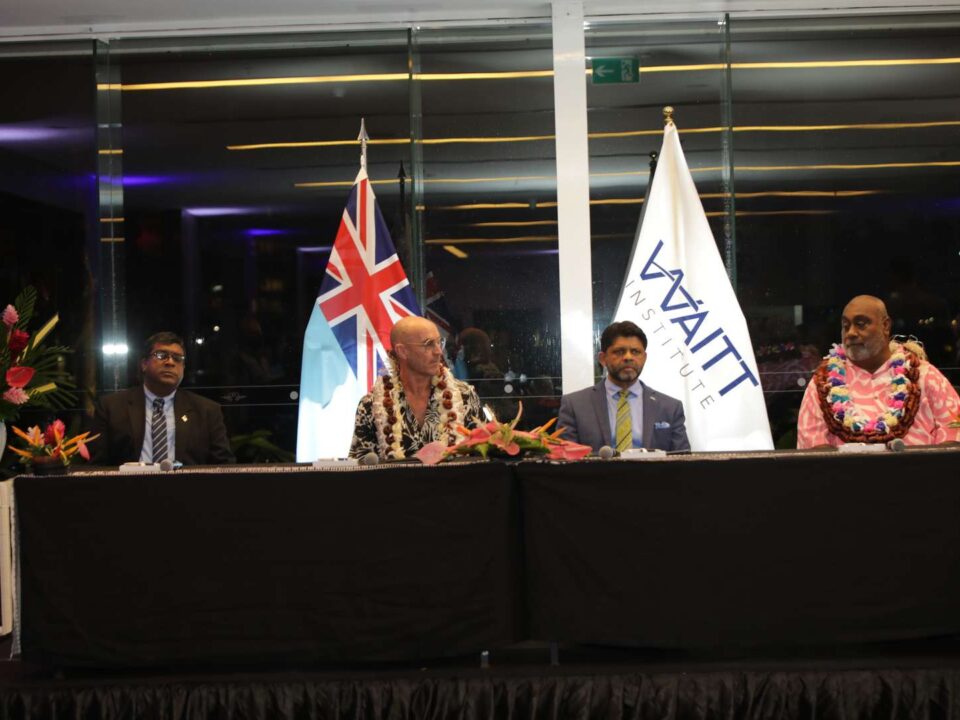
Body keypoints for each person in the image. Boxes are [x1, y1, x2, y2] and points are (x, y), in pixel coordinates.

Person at [797, 295, 960, 448]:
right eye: (846, 326)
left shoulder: (925, 376)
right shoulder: (822, 384)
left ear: (885, 326)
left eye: (860, 324)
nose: (851, 333)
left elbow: (954, 439)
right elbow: (813, 453)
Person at [90, 331, 235, 466]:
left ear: (183, 369)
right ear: (144, 364)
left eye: (177, 358)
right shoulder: (111, 407)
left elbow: (224, 466)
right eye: (161, 355)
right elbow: (97, 466)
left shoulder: (207, 411)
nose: (170, 362)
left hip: (186, 484)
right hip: (130, 483)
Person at [349, 316, 483, 460]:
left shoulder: (465, 396)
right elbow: (360, 464)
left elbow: (485, 454)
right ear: (402, 351)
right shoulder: (371, 405)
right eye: (429, 344)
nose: (438, 351)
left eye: (439, 342)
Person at [557, 321, 690, 453]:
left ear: (644, 358)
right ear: (603, 359)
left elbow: (684, 460)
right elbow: (564, 458)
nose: (628, 357)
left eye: (635, 352)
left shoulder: (670, 407)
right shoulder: (574, 406)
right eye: (619, 352)